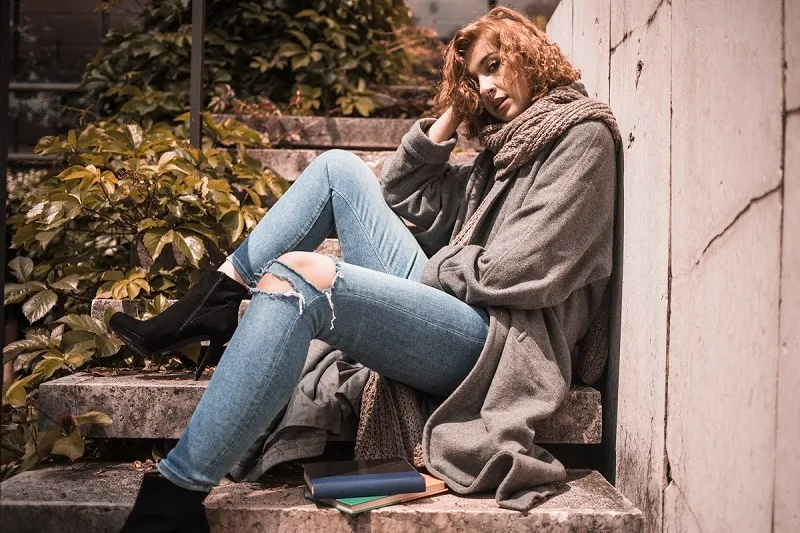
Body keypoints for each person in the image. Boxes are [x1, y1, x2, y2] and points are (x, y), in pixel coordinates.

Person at [111, 6, 622, 532]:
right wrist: (451, 107)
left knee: (301, 278)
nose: (487, 87)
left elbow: (526, 267)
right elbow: (399, 192)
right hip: (460, 307)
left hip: (502, 341)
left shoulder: (581, 139)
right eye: (475, 79)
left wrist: (433, 272)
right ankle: (218, 296)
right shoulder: (499, 153)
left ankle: (173, 496)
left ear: (526, 53)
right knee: (338, 168)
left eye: (494, 65)